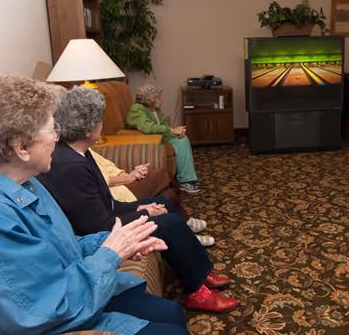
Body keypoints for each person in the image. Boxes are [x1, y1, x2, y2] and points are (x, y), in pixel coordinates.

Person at [0, 74, 199, 334]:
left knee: (170, 312)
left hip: (63, 294)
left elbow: (61, 247)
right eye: (52, 131)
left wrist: (117, 242)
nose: (58, 139)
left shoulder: (24, 180)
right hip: (46, 316)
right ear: (21, 147)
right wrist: (111, 255)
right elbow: (41, 311)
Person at [37, 86, 236, 313]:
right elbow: (99, 224)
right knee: (168, 223)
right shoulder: (72, 166)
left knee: (165, 205)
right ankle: (198, 293)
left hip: (104, 218)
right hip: (97, 234)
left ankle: (200, 271)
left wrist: (142, 205)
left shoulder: (79, 151)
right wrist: (144, 213)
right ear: (89, 131)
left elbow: (106, 203)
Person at [49, 84, 209, 236]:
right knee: (166, 197)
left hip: (116, 200)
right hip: (116, 202)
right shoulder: (71, 163)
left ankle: (184, 228)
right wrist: (131, 182)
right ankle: (184, 225)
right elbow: (101, 219)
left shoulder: (82, 151)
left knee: (166, 198)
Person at [126, 84, 203, 194]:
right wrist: (172, 131)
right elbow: (148, 127)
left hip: (160, 137)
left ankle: (188, 180)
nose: (161, 99)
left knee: (183, 139)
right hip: (149, 141)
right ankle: (185, 182)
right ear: (149, 99)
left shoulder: (156, 109)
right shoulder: (136, 110)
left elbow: (163, 125)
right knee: (180, 141)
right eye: (158, 97)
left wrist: (176, 132)